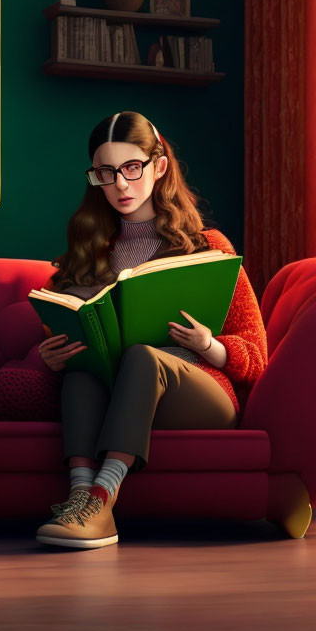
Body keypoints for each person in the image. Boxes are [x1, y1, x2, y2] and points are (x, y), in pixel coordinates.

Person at [35, 111, 267, 549]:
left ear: (158, 167)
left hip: (201, 395)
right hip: (120, 391)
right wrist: (49, 356)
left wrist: (209, 345)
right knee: (83, 367)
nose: (120, 185)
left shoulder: (207, 246)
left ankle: (103, 504)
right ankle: (80, 497)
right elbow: (60, 331)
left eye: (131, 168)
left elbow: (257, 354)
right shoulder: (91, 252)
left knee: (142, 355)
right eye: (106, 173)